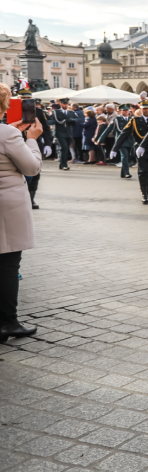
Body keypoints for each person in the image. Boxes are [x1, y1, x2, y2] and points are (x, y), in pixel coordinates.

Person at [0, 83, 43, 343]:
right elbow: (31, 168)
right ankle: (7, 322)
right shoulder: (6, 133)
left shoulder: (6, 133)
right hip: (6, 205)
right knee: (7, 263)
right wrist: (31, 140)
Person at [112, 99, 148, 203]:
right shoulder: (135, 120)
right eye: (144, 108)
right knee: (143, 171)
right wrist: (115, 148)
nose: (146, 110)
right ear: (140, 109)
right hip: (140, 150)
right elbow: (124, 134)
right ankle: (144, 194)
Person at [52, 97, 75, 170]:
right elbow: (53, 120)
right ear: (60, 104)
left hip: (68, 133)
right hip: (60, 133)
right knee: (64, 147)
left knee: (65, 149)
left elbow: (78, 119)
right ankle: (65, 164)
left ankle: (62, 164)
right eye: (64, 104)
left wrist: (72, 120)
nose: (66, 105)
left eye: (67, 104)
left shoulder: (71, 112)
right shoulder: (56, 111)